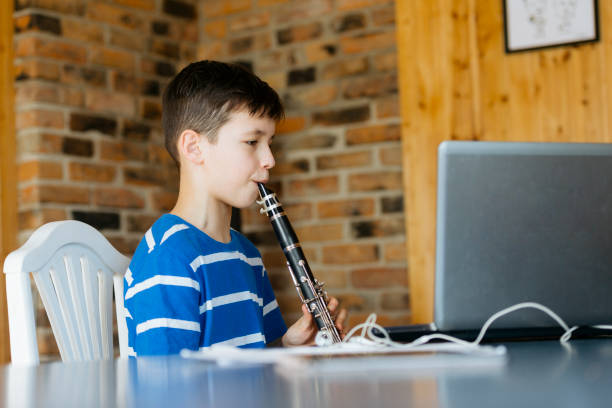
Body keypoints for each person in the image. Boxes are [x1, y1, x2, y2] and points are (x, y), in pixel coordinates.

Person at [124, 60, 346, 355]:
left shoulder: (247, 254)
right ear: (194, 148)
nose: (269, 160)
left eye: (269, 143)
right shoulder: (169, 258)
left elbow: (256, 357)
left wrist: (289, 346)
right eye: (252, 141)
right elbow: (165, 386)